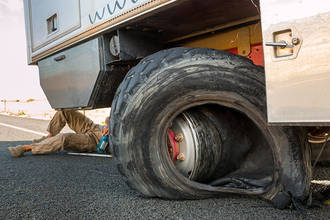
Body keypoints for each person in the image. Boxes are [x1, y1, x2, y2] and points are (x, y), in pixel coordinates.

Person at [8, 110, 110, 157]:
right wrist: (107, 125)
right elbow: (108, 119)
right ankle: (48, 137)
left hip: (97, 141)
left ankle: (28, 148)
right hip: (95, 127)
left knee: (63, 139)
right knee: (65, 111)